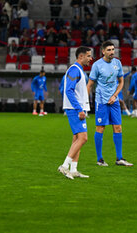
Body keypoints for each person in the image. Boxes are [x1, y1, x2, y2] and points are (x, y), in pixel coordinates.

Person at [87, 41, 133, 167]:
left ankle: (119, 159)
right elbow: (90, 85)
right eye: (109, 50)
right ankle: (100, 159)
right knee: (100, 128)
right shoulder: (97, 65)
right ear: (103, 51)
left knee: (118, 127)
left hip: (114, 101)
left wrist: (115, 96)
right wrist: (85, 102)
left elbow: (121, 82)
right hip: (101, 101)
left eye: (113, 49)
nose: (112, 52)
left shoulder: (117, 63)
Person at [58, 46, 92, 179]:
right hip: (74, 110)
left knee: (77, 139)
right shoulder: (74, 70)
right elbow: (68, 91)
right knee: (83, 138)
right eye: (88, 56)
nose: (91, 58)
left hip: (77, 109)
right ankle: (64, 166)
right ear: (81, 56)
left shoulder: (79, 70)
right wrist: (79, 109)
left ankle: (74, 169)